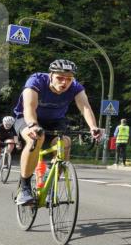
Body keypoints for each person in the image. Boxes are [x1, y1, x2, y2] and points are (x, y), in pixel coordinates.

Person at [12, 59, 102, 205]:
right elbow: (29, 107)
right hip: (28, 118)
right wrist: (33, 125)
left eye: (68, 79)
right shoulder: (36, 81)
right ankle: (25, 188)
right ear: (51, 75)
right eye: (60, 78)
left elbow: (85, 107)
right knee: (36, 138)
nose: (64, 82)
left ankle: (50, 181)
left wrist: (93, 127)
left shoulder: (75, 87)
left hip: (55, 121)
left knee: (65, 143)